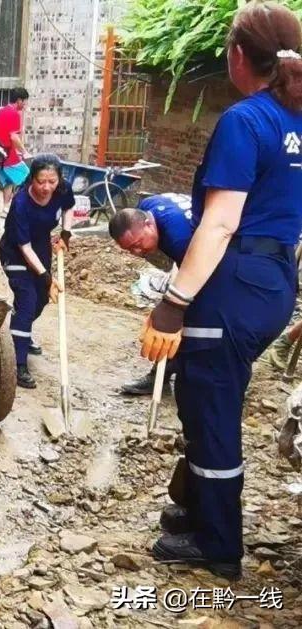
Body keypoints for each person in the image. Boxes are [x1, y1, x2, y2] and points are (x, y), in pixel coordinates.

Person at [140, 1, 302, 580]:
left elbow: (220, 222)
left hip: (233, 284)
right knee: (214, 398)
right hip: (275, 281)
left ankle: (218, 545)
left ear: (237, 56)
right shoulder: (295, 120)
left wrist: (172, 302)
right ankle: (198, 508)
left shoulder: (246, 121)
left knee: (210, 410)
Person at [0, 154, 73, 389]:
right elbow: (23, 247)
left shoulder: (62, 189)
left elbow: (69, 206)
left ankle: (21, 329)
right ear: (32, 179)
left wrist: (66, 234)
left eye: (52, 181)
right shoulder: (21, 203)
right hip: (15, 251)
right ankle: (18, 364)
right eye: (41, 181)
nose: (46, 187)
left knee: (41, 299)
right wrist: (46, 277)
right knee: (28, 299)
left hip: (40, 247)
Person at [108, 193, 195, 395]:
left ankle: (174, 379)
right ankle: (161, 375)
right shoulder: (148, 206)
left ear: (148, 224)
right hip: (195, 250)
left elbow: (193, 273)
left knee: (185, 321)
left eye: (138, 244)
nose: (137, 252)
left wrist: (175, 308)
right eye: (130, 250)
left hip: (227, 260)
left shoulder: (178, 238)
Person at [0, 87, 30, 217]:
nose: (25, 105)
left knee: (8, 182)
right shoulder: (14, 114)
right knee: (28, 176)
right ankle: (21, 207)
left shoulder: (0, 111)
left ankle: (6, 209)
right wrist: (24, 152)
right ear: (19, 100)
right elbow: (13, 137)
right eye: (24, 102)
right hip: (8, 157)